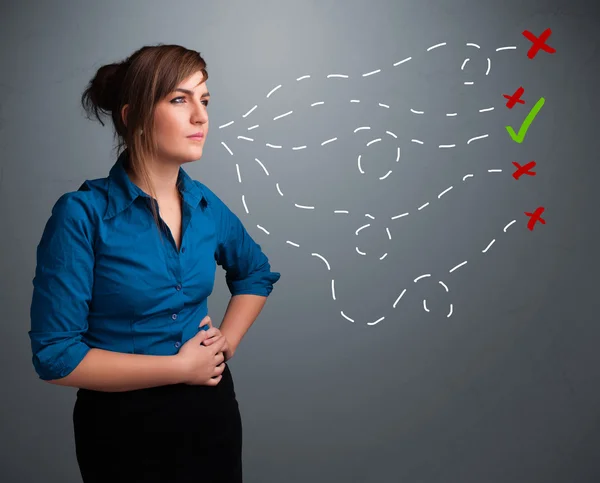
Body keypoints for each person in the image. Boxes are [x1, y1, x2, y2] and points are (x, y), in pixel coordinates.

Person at [27, 44, 281, 482]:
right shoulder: (82, 215)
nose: (200, 117)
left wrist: (226, 343)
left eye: (204, 100)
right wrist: (181, 368)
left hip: (211, 413)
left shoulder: (206, 205)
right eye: (180, 99)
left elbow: (255, 272)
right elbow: (55, 356)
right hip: (121, 427)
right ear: (133, 116)